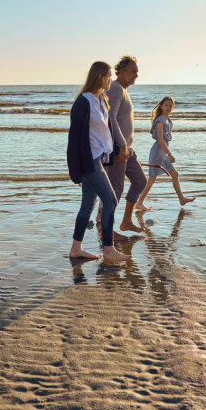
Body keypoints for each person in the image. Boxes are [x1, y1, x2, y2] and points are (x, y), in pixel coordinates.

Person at [67, 61, 132, 262]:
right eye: (109, 76)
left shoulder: (101, 99)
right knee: (110, 200)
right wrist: (75, 171)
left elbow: (104, 131)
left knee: (87, 205)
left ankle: (76, 248)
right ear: (100, 76)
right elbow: (74, 138)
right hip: (90, 161)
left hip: (99, 159)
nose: (111, 80)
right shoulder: (83, 101)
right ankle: (108, 249)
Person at [96, 55, 147, 234]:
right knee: (115, 189)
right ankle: (106, 231)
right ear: (122, 71)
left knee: (140, 180)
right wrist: (122, 145)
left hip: (127, 149)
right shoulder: (116, 89)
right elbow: (111, 118)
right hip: (119, 149)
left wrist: (127, 146)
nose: (136, 75)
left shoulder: (122, 90)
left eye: (137, 72)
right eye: (133, 71)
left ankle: (126, 222)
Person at [135, 96, 196, 210]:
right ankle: (139, 203)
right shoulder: (160, 121)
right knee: (152, 179)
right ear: (161, 106)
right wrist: (170, 154)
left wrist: (167, 153)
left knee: (175, 174)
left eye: (170, 105)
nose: (168, 107)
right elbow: (160, 140)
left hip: (163, 151)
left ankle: (181, 199)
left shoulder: (168, 121)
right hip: (158, 152)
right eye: (166, 105)